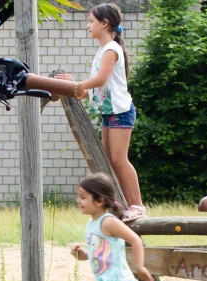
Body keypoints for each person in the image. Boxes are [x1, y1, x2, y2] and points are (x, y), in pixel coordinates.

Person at [49, 4, 147, 221]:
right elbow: (93, 89)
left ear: (105, 23)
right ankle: (121, 204)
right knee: (108, 161)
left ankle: (137, 206)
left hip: (121, 112)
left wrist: (77, 85)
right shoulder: (102, 52)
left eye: (91, 21)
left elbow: (99, 80)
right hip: (108, 113)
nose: (88, 25)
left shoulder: (111, 49)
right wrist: (75, 85)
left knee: (119, 159)